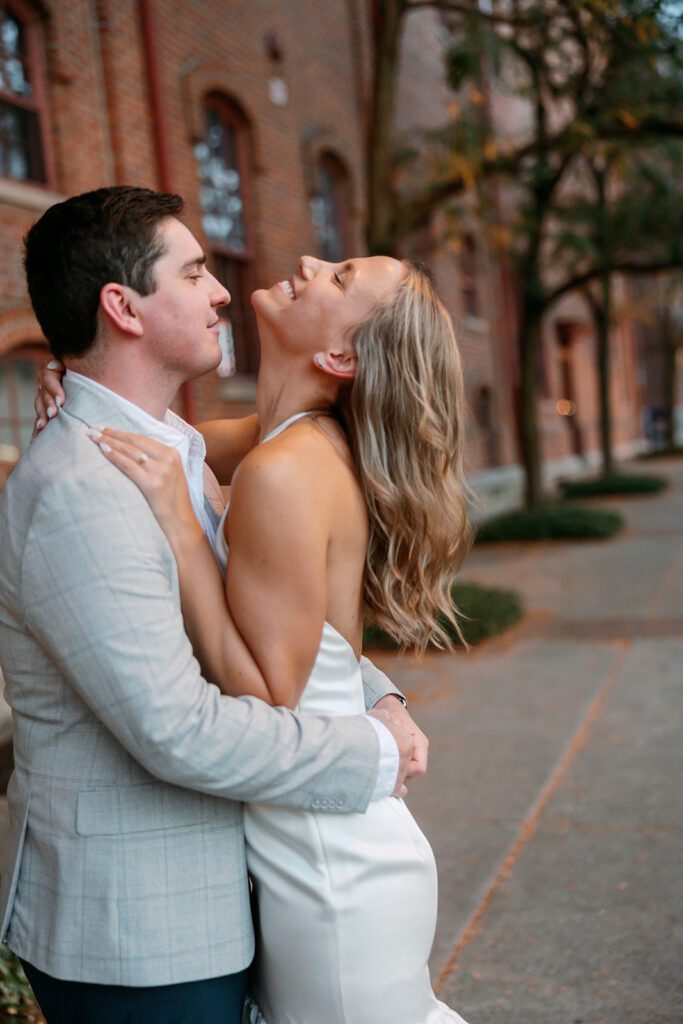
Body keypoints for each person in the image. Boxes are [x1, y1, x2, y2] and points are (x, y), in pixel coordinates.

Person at [0, 186, 424, 1024]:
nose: (223, 288)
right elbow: (177, 729)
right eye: (193, 272)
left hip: (218, 903)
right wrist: (368, 753)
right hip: (138, 935)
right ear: (121, 307)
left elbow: (265, 606)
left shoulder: (174, 450)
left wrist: (373, 689)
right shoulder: (82, 487)